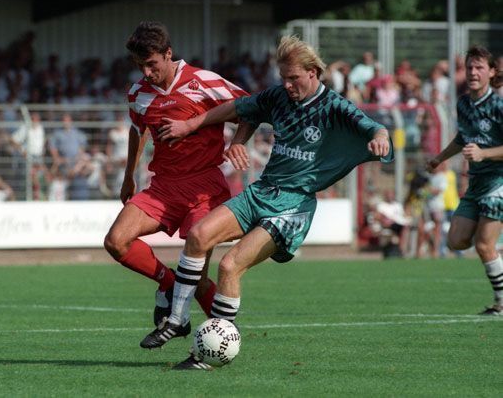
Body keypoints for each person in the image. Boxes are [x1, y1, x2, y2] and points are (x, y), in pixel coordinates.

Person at [140, 35, 392, 369]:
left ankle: (208, 356)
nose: (287, 85)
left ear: (314, 72)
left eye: (294, 78)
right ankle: (176, 319)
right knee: (199, 236)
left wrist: (380, 137)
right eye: (283, 78)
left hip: (293, 206)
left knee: (230, 265)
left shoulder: (334, 107)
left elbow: (374, 127)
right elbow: (241, 108)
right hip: (263, 191)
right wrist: (207, 130)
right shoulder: (277, 96)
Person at [103, 21, 248, 329]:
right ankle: (168, 282)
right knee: (116, 242)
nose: (146, 72)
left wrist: (237, 142)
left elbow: (250, 108)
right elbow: (138, 130)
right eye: (140, 65)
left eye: (151, 64)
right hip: (163, 188)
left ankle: (224, 338)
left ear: (168, 54)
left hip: (204, 188)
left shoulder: (204, 81)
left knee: (196, 279)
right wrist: (129, 175)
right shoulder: (138, 94)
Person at [426, 45, 503, 315]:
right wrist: (440, 157)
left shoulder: (499, 105)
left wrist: (484, 153)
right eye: (470, 66)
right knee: (456, 241)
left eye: (479, 67)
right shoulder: (463, 104)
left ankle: (501, 303)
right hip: (476, 184)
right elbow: (463, 138)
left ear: (492, 72)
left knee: (484, 245)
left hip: (499, 182)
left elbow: (484, 148)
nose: (473, 72)